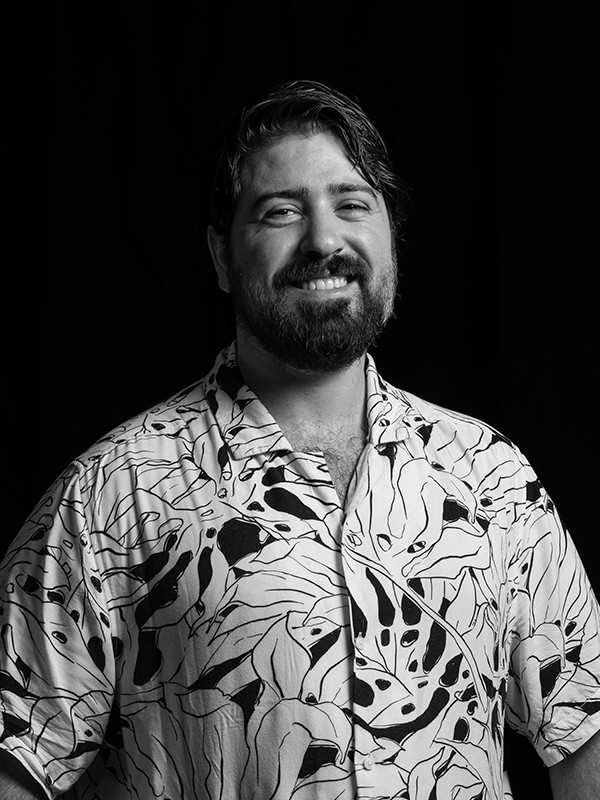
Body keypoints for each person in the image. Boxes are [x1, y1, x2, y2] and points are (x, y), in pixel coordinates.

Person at [1, 80, 599, 800]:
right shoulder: (109, 495)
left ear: (390, 237)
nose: (323, 240)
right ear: (221, 256)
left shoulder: (492, 476)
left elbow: (583, 736)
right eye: (281, 211)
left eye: (352, 205)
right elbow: (16, 759)